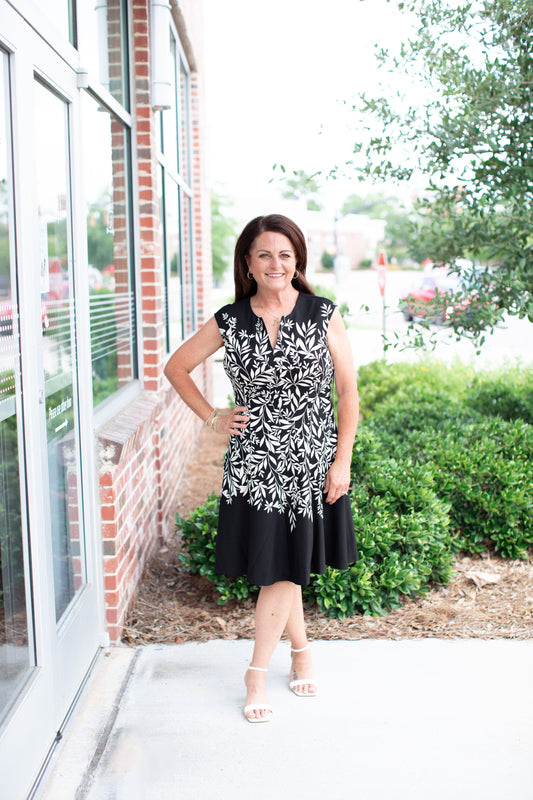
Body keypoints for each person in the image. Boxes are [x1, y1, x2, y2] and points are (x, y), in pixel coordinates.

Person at [164, 214, 359, 723]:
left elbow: (348, 392)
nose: (276, 263)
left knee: (280, 572)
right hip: (253, 464)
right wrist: (213, 418)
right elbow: (176, 367)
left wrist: (343, 461)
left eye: (286, 255)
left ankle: (258, 672)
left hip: (311, 462)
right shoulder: (230, 319)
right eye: (265, 254)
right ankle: (298, 656)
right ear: (248, 262)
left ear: (298, 262)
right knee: (280, 568)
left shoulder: (321, 313)